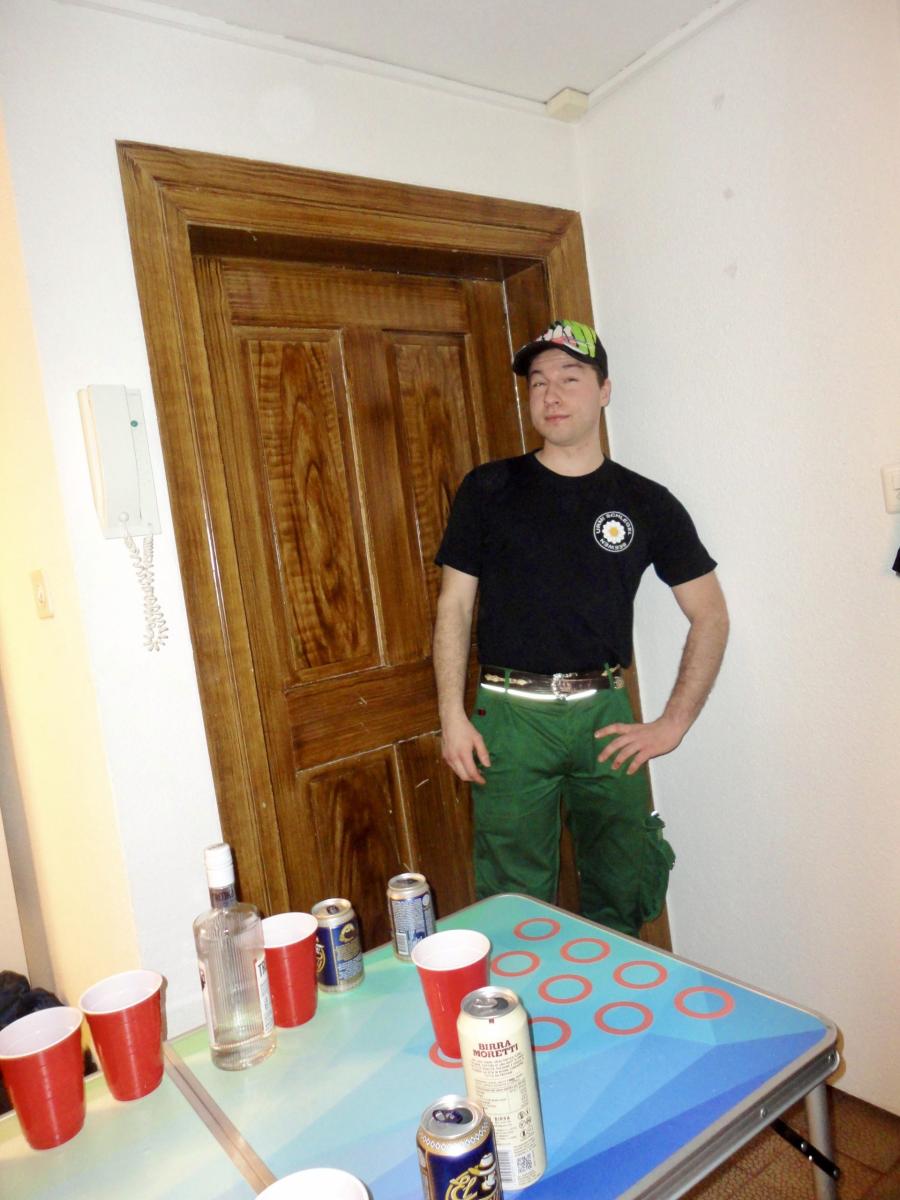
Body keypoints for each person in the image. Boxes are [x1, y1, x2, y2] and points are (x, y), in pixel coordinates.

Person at [433, 319, 729, 936]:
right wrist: (450, 715)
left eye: (570, 378)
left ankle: (617, 996)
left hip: (606, 717)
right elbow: (454, 607)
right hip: (508, 720)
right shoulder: (488, 489)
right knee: (511, 906)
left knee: (622, 888)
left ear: (604, 390)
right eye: (539, 382)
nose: (552, 394)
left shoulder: (647, 502)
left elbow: (710, 614)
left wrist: (672, 723)